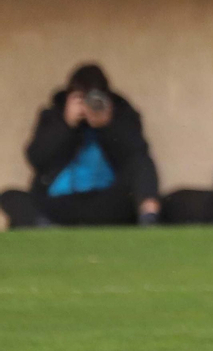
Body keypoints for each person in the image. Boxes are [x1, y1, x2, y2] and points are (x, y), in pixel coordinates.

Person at [0, 64, 161, 229]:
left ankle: (149, 219)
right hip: (59, 202)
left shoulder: (122, 115)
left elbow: (138, 158)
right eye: (81, 98)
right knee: (9, 196)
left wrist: (108, 126)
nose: (88, 104)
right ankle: (44, 228)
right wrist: (66, 124)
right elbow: (36, 158)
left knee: (142, 162)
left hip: (107, 203)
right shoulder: (53, 116)